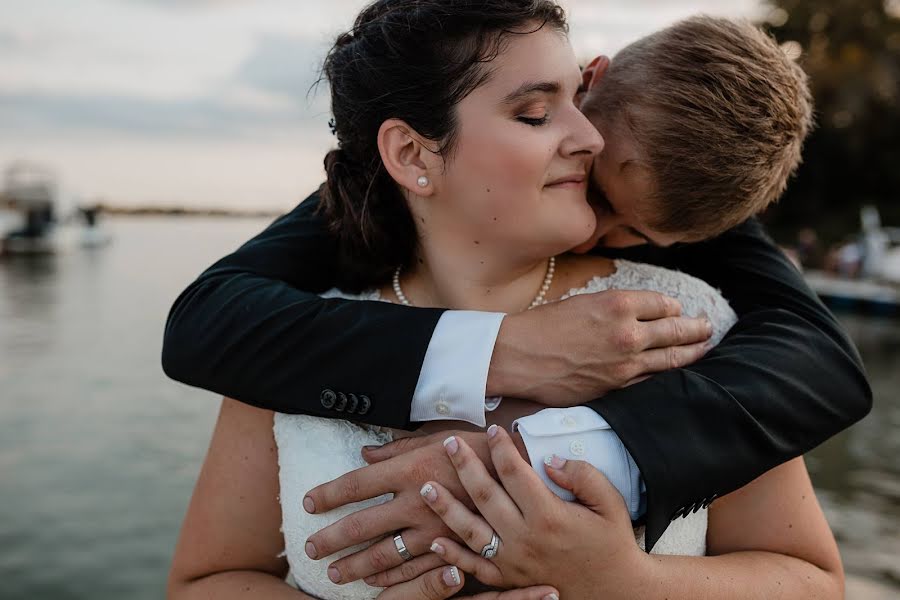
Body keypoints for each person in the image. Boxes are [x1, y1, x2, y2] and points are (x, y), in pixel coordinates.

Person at [167, 4, 856, 598]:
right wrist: (498, 351)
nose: (586, 153)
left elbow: (818, 358)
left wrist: (621, 578)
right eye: (535, 111)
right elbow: (204, 324)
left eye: (638, 232)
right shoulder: (292, 322)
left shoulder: (677, 308)